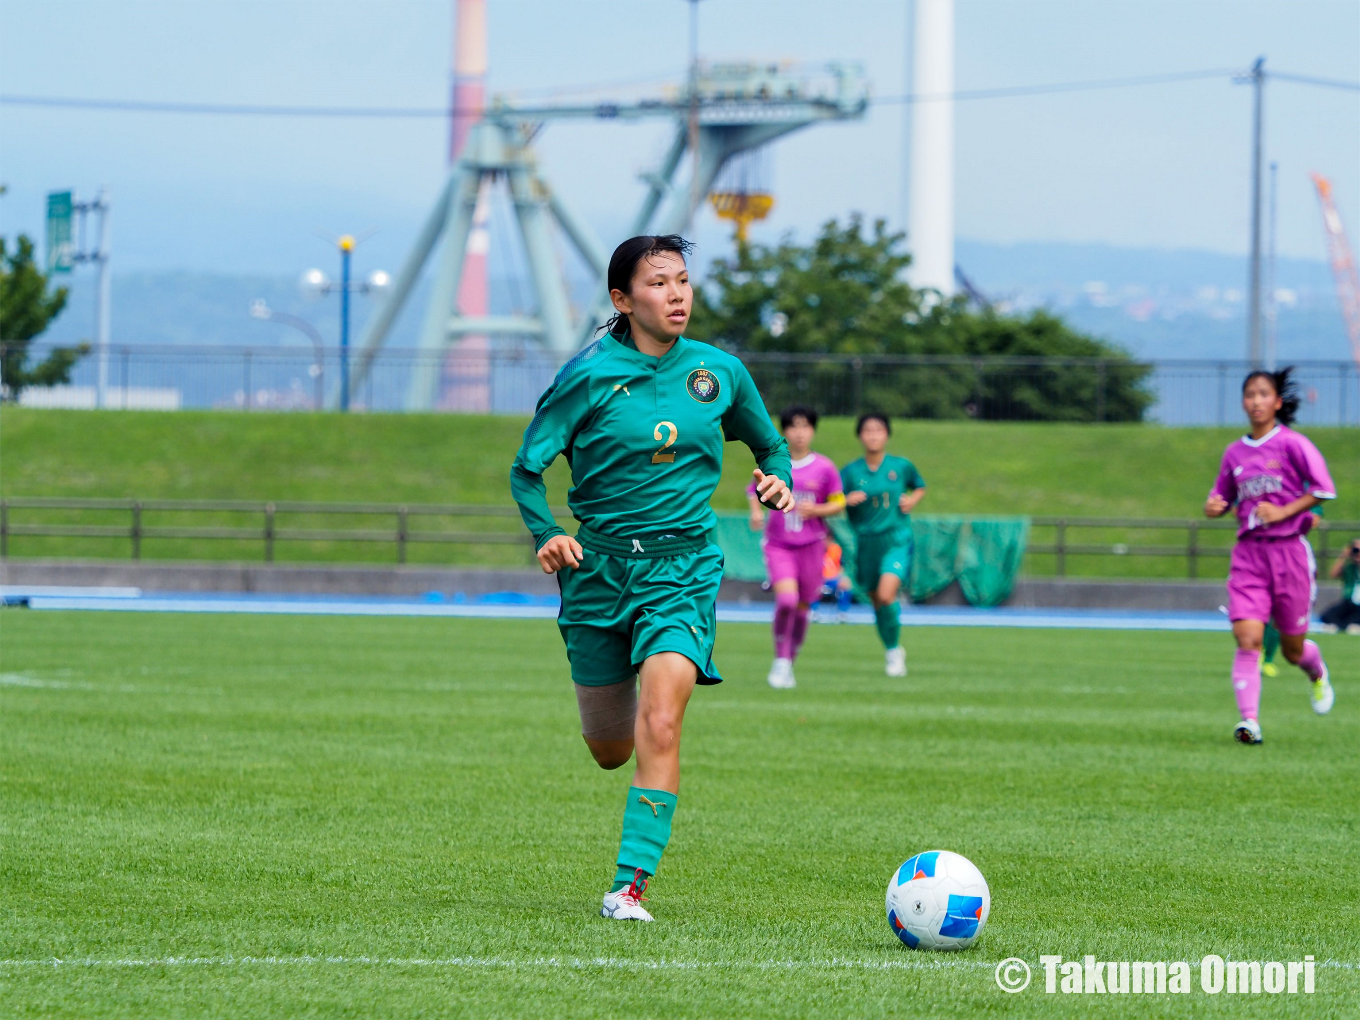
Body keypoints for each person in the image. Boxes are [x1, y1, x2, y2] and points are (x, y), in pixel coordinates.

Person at [510, 234, 793, 921]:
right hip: (599, 572)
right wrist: (549, 533)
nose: (677, 295)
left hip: (684, 570)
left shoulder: (720, 372)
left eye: (684, 282)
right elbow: (527, 467)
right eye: (659, 283)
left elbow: (771, 443)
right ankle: (613, 701)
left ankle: (627, 887)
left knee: (661, 722)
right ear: (622, 299)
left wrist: (777, 480)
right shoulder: (586, 376)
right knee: (610, 749)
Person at [1204, 367, 1337, 745]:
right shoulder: (1234, 452)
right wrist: (1213, 506)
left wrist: (1283, 512)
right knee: (1247, 638)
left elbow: (1324, 490)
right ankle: (1249, 722)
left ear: (1277, 402)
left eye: (1263, 394)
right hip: (1249, 556)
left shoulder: (1293, 444)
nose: (1256, 401)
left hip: (1290, 555)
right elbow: (1222, 496)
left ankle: (1316, 672)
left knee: (1294, 650)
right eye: (1250, 394)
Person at [746, 405, 844, 688]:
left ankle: (790, 660)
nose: (799, 433)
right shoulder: (777, 463)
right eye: (793, 426)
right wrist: (755, 511)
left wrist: (817, 510)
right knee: (787, 601)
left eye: (805, 426)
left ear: (813, 430)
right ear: (784, 430)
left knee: (802, 608)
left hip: (812, 546)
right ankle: (779, 661)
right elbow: (754, 488)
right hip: (779, 545)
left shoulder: (825, 467)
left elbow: (838, 503)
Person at [841, 413, 926, 677]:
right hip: (867, 542)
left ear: (887, 434)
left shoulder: (900, 466)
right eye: (868, 430)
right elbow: (832, 499)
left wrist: (913, 500)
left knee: (888, 594)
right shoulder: (851, 471)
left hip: (896, 539)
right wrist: (845, 499)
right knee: (877, 601)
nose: (874, 435)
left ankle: (893, 654)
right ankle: (892, 647)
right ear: (860, 435)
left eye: (879, 429)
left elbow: (919, 486)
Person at [1320, 539, 1360, 633]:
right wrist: (1343, 556)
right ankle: (1345, 625)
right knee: (1327, 616)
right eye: (1356, 550)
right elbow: (1333, 574)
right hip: (1349, 602)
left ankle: (1349, 625)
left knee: (1354, 620)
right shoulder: (1350, 568)